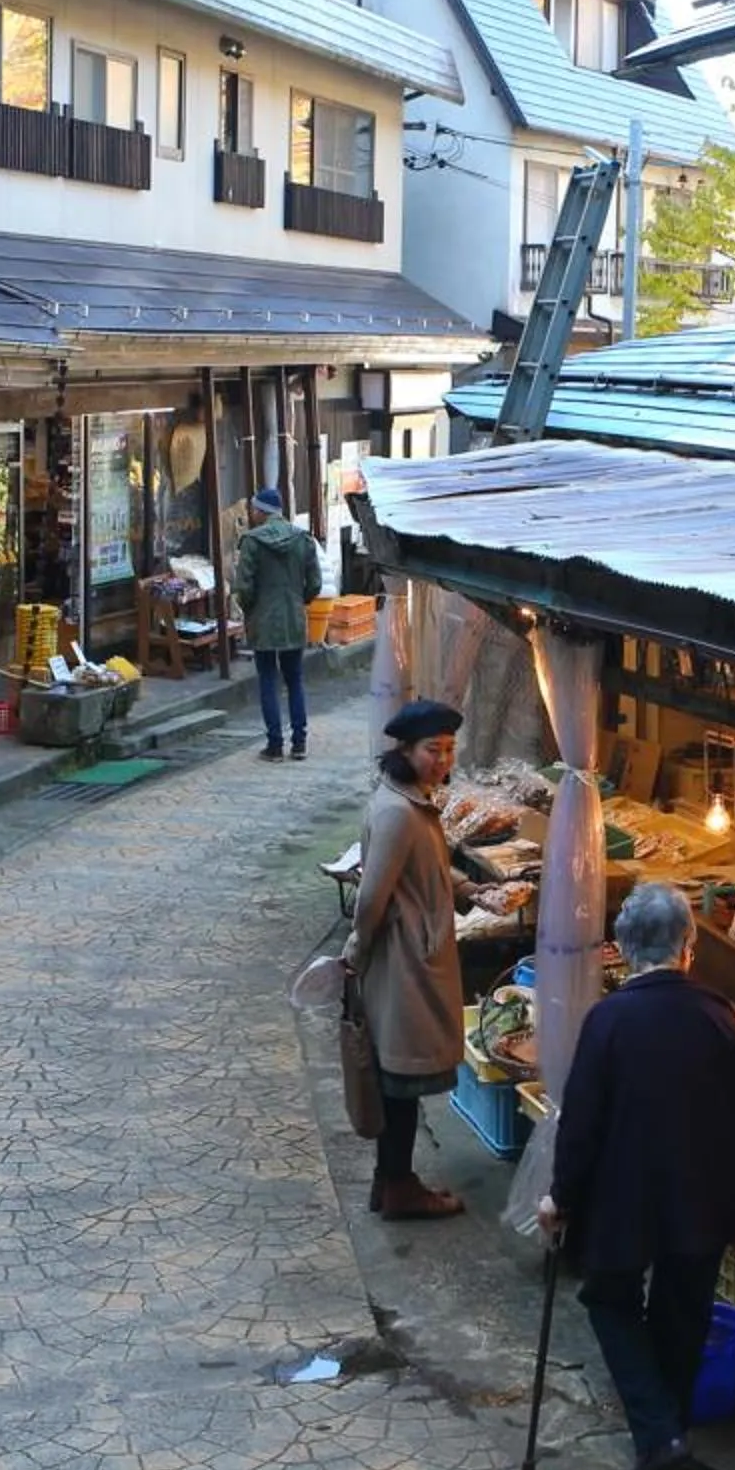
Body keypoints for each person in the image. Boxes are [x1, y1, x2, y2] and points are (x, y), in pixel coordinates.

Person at [539, 882, 735, 1470]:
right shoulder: (721, 1018)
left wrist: (561, 1198)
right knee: (682, 1309)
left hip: (625, 1199)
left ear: (622, 947)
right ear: (688, 946)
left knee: (610, 1298)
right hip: (705, 1196)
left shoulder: (609, 1020)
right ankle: (667, 1431)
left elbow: (580, 1122)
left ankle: (660, 1434)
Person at [346, 698, 470, 1220]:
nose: (442, 760)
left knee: (399, 1079)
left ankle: (391, 1182)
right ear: (405, 749)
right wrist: (358, 949)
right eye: (431, 750)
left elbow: (425, 868)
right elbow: (372, 896)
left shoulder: (410, 798)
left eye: (447, 749)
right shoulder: (399, 810)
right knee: (400, 1082)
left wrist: (471, 889)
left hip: (410, 955)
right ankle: (398, 1187)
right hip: (404, 963)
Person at [232, 487, 320, 762]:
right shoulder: (302, 539)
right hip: (294, 618)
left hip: (263, 620)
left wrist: (250, 609)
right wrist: (298, 600)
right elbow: (315, 583)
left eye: (254, 509)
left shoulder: (252, 542)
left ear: (261, 511)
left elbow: (243, 586)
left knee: (268, 680)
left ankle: (274, 745)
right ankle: (300, 743)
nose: (252, 514)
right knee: (295, 680)